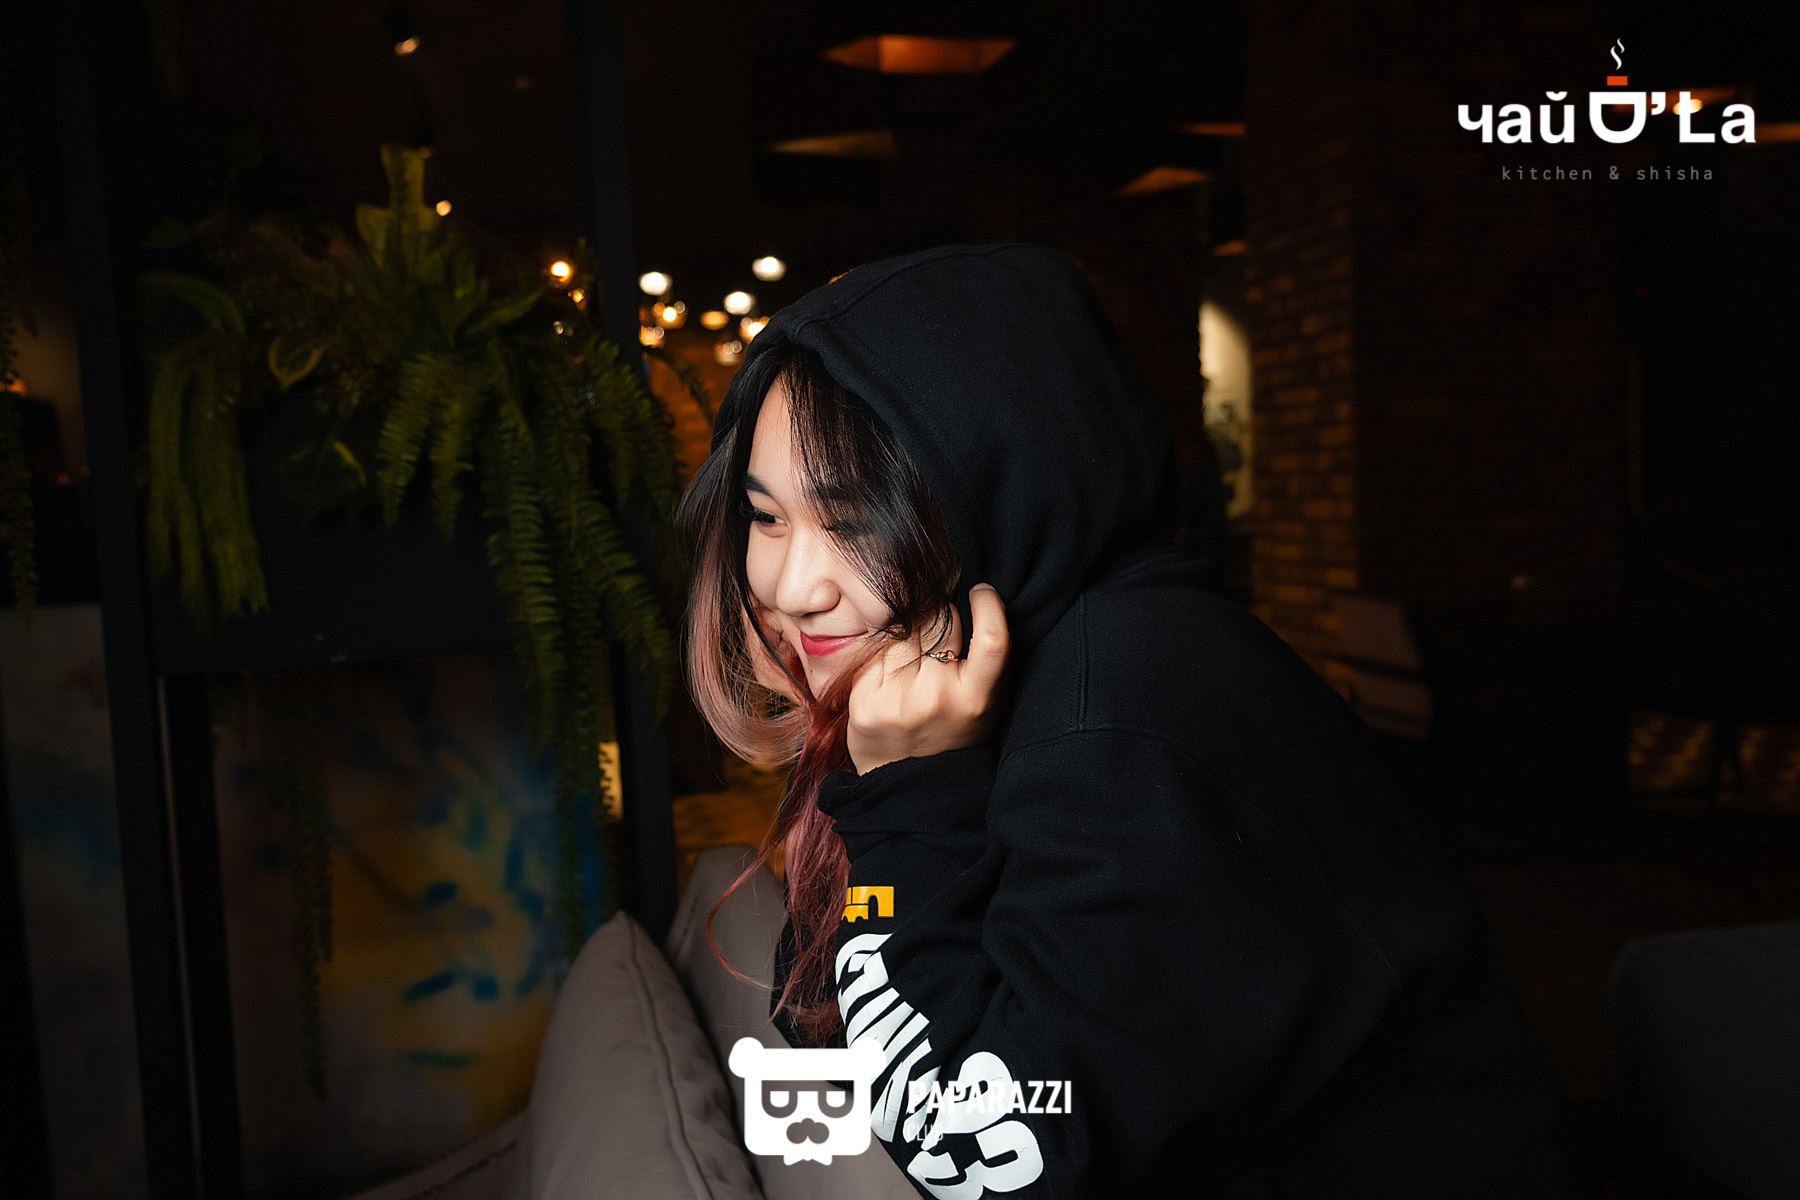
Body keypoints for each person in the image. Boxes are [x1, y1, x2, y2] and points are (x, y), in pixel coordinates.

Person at [674, 243, 1597, 1198]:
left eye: (856, 520)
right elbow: (835, 1014)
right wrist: (893, 830)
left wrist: (906, 809)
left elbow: (997, 1163)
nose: (792, 586)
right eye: (766, 516)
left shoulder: (1120, 721)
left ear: (1011, 480)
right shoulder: (981, 683)